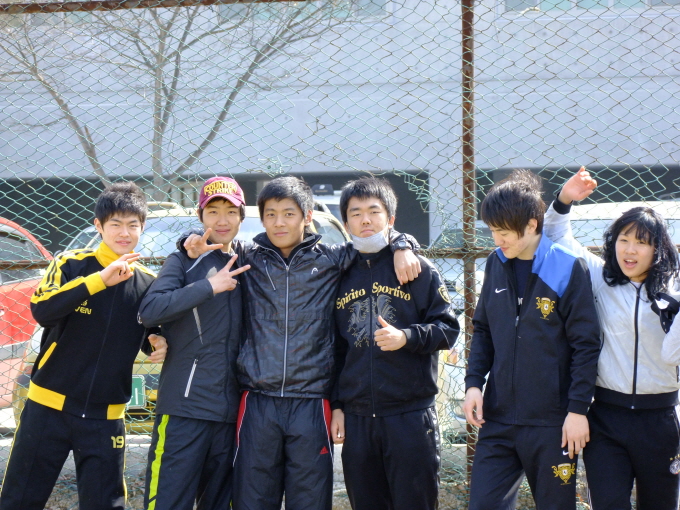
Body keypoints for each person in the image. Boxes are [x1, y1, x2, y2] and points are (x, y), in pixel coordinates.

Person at [180, 176, 421, 510]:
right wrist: (187, 239)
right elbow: (211, 240)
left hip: (312, 402)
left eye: (289, 214)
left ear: (307, 216)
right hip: (258, 401)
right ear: (262, 219)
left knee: (309, 500)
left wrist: (403, 244)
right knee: (252, 500)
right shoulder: (247, 258)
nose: (279, 223)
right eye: (271, 214)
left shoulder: (333, 258)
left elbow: (374, 240)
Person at [0, 182, 167, 510]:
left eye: (132, 225)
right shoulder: (70, 264)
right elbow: (43, 310)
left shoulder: (149, 283)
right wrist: (98, 281)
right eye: (115, 224)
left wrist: (159, 343)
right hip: (48, 407)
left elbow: (152, 333)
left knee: (105, 503)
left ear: (142, 227)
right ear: (98, 226)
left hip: (105, 417)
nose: (124, 233)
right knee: (19, 500)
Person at [463, 169, 601, 510]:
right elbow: (483, 329)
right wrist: (473, 384)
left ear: (531, 225)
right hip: (497, 419)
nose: (497, 240)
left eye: (504, 232)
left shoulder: (568, 267)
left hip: (552, 423)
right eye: (492, 231)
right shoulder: (496, 263)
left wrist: (577, 410)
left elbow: (586, 345)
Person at [543, 167, 680, 510]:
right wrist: (565, 198)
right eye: (624, 239)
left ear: (658, 249)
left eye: (642, 243)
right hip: (606, 419)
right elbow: (556, 236)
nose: (630, 250)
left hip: (661, 419)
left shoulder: (674, 290)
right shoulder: (599, 277)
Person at [329, 177, 459, 510]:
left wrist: (407, 337)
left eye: (374, 211)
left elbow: (448, 328)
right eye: (356, 213)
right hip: (357, 418)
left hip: (409, 416)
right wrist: (338, 405)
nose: (366, 220)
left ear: (391, 218)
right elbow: (335, 348)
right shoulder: (337, 272)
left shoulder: (416, 268)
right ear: (345, 222)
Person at [138, 177, 251, 510]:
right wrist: (209, 286)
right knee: (167, 502)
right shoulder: (184, 260)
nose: (222, 220)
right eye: (213, 211)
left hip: (232, 412)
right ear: (200, 216)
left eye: (231, 211)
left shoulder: (249, 261)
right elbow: (150, 310)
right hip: (184, 409)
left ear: (241, 217)